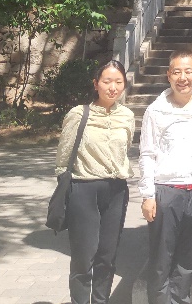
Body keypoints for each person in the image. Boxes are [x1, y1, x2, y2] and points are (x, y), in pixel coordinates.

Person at [55, 59, 135, 304]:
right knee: (83, 257)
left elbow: (125, 150)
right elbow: (63, 158)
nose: (113, 87)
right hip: (84, 190)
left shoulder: (127, 116)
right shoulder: (78, 114)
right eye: (107, 81)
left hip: (116, 191)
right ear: (96, 84)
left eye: (118, 82)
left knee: (107, 257)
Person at [139, 50, 192, 304]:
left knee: (187, 258)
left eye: (188, 71)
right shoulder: (156, 110)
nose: (183, 78)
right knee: (161, 258)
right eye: (177, 72)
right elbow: (146, 154)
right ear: (168, 75)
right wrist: (148, 195)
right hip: (166, 191)